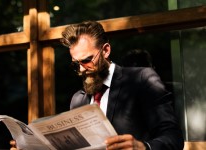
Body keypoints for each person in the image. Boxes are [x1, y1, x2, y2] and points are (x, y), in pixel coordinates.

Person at [60, 21, 184, 150]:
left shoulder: (141, 79)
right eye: (76, 64)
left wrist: (143, 147)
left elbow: (173, 137)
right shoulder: (77, 99)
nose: (81, 69)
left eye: (86, 60)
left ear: (106, 50)